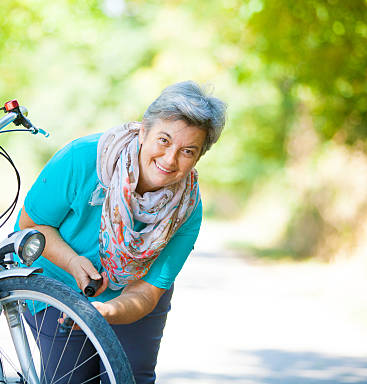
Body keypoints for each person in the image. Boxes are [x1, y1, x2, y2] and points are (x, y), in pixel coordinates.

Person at [16, 80, 226, 383]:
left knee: (130, 377)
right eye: (163, 140)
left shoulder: (187, 210)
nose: (170, 159)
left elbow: (147, 292)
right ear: (143, 131)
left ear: (198, 158)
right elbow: (31, 226)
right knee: (71, 378)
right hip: (57, 280)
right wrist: (73, 262)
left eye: (187, 151)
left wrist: (106, 313)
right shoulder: (82, 158)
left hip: (131, 296)